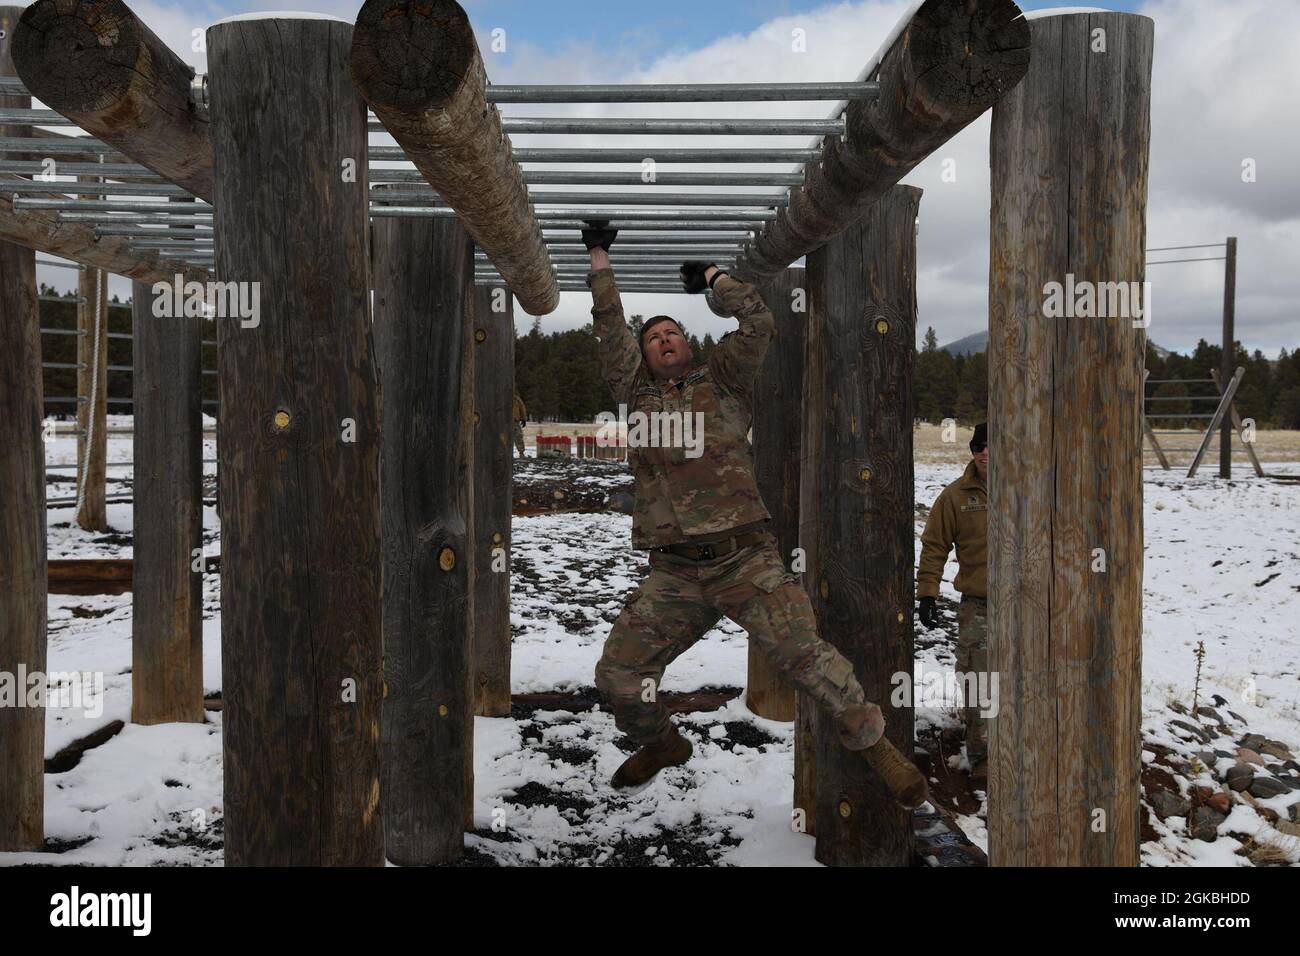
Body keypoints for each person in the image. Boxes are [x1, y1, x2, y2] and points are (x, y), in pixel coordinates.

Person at [581, 220, 925, 807]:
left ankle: (876, 746)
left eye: (671, 333)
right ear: (642, 356)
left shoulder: (723, 381)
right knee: (616, 677)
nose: (662, 340)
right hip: (675, 575)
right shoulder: (634, 395)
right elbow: (610, 329)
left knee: (804, 657)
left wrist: (716, 277)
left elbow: (758, 321)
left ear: (689, 343)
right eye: (652, 337)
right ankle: (662, 744)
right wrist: (598, 258)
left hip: (747, 563)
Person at [916, 422, 989, 790]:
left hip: (1033, 606)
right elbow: (934, 546)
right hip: (980, 605)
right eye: (979, 447)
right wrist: (927, 593)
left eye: (993, 446)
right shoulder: (956, 497)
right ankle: (984, 761)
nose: (986, 453)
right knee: (980, 681)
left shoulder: (1032, 489)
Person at [512, 391, 528, 458]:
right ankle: (506, 454)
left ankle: (521, 453)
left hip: (515, 421)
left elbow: (522, 408)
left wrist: (523, 418)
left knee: (518, 436)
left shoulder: (516, 399)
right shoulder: (500, 397)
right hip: (503, 422)